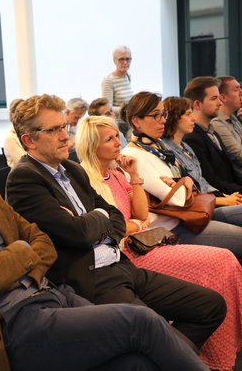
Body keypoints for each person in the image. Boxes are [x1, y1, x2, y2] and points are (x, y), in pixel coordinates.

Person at [0, 123, 211, 371]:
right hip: (4, 325)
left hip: (53, 295)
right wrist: (23, 251)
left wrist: (17, 256)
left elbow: (44, 245)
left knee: (137, 362)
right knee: (141, 322)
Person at [6, 94, 225, 353]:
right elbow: (78, 233)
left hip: (121, 264)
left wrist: (95, 218)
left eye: (64, 127)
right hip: (90, 277)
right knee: (157, 334)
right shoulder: (24, 179)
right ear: (28, 140)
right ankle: (167, 353)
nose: (65, 136)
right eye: (53, 130)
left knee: (211, 305)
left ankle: (163, 355)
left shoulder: (71, 170)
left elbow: (117, 217)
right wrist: (98, 218)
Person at [76, 114, 242, 370]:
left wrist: (134, 176)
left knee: (224, 262)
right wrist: (131, 225)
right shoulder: (87, 180)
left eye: (115, 137)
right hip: (129, 254)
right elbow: (114, 229)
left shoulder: (118, 172)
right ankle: (196, 358)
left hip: (146, 241)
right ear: (92, 147)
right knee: (221, 260)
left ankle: (202, 354)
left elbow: (141, 215)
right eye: (109, 140)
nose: (118, 143)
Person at [120, 91, 242, 259]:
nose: (163, 119)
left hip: (188, 217)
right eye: (156, 115)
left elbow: (184, 188)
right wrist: (184, 183)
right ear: (136, 121)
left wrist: (182, 182)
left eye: (164, 114)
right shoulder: (134, 156)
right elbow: (177, 199)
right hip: (170, 229)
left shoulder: (157, 147)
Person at [183, 76, 242, 194]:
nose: (220, 103)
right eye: (214, 98)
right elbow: (211, 182)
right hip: (221, 201)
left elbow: (230, 173)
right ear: (198, 104)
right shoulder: (192, 138)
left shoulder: (212, 132)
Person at [210, 76, 242, 176]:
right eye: (236, 89)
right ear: (223, 97)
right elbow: (239, 156)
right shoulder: (217, 123)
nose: (241, 92)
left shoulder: (234, 119)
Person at [101, 45, 134, 136]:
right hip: (119, 125)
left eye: (128, 59)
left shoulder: (127, 76)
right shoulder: (109, 80)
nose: (125, 62)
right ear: (114, 61)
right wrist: (127, 109)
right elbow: (107, 108)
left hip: (129, 121)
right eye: (121, 59)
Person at [4, 98, 26, 168]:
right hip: (22, 176)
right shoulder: (10, 137)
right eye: (22, 113)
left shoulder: (28, 132)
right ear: (12, 116)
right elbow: (23, 163)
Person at [65, 97, 88, 162]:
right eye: (76, 118)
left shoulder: (75, 126)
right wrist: (72, 143)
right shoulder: (57, 127)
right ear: (67, 112)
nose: (78, 121)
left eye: (80, 118)